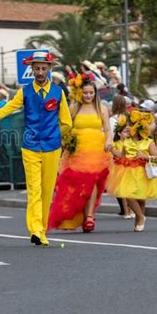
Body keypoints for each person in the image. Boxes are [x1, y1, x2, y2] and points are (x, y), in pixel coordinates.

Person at [0, 49, 72, 246]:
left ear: (49, 69)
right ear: (31, 69)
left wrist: (59, 137)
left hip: (52, 146)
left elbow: (66, 121)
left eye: (43, 68)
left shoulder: (58, 93)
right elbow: (6, 110)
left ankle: (42, 228)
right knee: (34, 190)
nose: (40, 72)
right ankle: (36, 230)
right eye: (37, 68)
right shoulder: (25, 92)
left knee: (47, 190)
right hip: (30, 146)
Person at [48, 73, 112, 233]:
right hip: (77, 150)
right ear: (79, 93)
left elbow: (108, 128)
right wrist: (65, 142)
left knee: (93, 181)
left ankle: (90, 216)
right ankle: (80, 215)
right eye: (85, 92)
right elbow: (65, 127)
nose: (89, 95)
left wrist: (109, 141)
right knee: (77, 186)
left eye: (91, 92)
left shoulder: (101, 108)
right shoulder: (73, 108)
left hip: (96, 149)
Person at [106, 111, 157, 231]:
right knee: (127, 195)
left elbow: (156, 159)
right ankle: (141, 216)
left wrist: (145, 157)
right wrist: (111, 149)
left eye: (131, 125)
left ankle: (139, 220)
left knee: (141, 198)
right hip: (128, 172)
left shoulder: (148, 142)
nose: (129, 128)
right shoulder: (127, 141)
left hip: (143, 172)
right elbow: (122, 155)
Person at [110, 115, 134, 219]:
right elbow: (117, 154)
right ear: (119, 134)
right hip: (120, 168)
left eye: (128, 132)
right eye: (125, 132)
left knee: (132, 190)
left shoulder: (131, 142)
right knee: (123, 191)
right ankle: (126, 211)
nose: (127, 134)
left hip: (131, 167)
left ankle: (132, 210)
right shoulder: (115, 143)